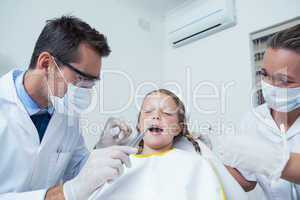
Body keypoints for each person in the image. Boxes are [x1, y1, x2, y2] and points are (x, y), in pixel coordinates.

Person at [0, 15, 135, 200]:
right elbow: (74, 188)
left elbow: (77, 171)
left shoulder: (67, 111)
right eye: (81, 78)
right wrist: (65, 193)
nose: (86, 90)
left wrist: (102, 148)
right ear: (46, 64)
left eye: (91, 82)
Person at [91, 89, 226, 200]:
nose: (155, 116)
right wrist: (100, 150)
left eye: (167, 113)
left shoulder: (197, 165)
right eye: (148, 111)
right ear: (139, 124)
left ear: (179, 128)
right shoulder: (115, 165)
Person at [217, 24, 300, 199]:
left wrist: (266, 158)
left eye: (284, 80)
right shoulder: (253, 120)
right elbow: (247, 183)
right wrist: (208, 156)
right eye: (264, 74)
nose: (269, 85)